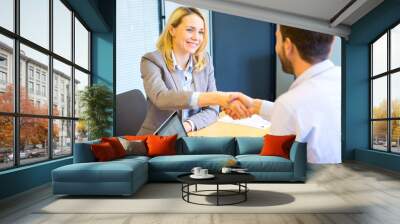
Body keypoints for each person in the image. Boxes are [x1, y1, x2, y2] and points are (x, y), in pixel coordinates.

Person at [226, 25, 341, 164]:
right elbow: (308, 115)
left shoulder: (290, 103)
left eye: (277, 39)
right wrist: (256, 106)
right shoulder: (344, 79)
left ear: (287, 46)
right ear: (332, 43)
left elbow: (271, 168)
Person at [137, 7, 248, 135]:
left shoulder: (204, 59)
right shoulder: (152, 61)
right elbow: (161, 98)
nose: (196, 37)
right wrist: (213, 97)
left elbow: (213, 110)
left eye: (201, 32)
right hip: (156, 140)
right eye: (190, 30)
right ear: (172, 30)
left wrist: (188, 125)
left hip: (191, 135)